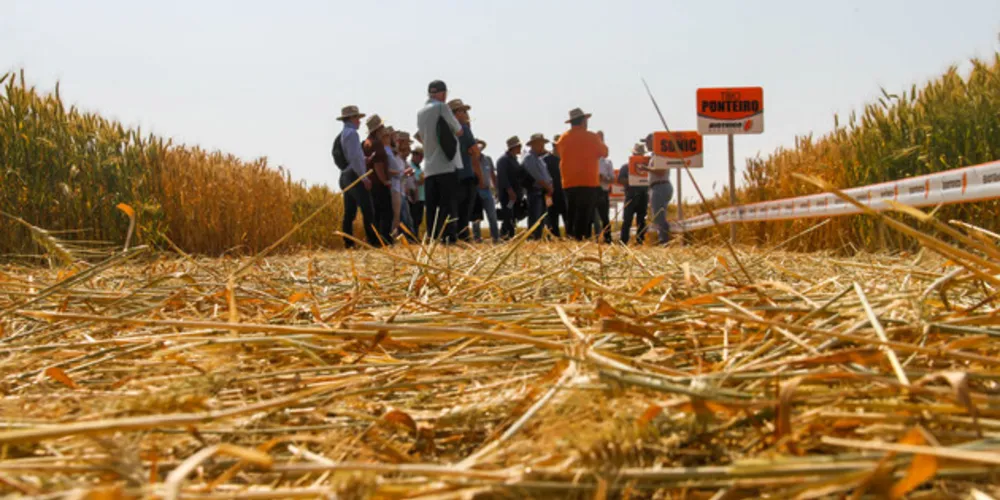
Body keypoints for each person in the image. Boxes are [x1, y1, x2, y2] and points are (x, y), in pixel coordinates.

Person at [416, 80, 463, 243]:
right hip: (445, 163)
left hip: (429, 166)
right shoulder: (442, 107)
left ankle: (433, 237)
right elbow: (459, 130)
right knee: (448, 205)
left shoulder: (420, 112)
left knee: (432, 208)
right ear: (443, 93)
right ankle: (448, 238)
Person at [555, 108, 607, 240]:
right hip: (587, 181)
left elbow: (559, 153)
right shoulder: (592, 137)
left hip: (569, 182)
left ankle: (571, 238)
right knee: (584, 215)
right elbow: (604, 153)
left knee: (571, 214)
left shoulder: (563, 138)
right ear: (583, 121)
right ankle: (580, 240)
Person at [334, 105, 379, 249]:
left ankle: (348, 243)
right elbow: (355, 158)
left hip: (346, 175)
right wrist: (364, 178)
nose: (359, 121)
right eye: (357, 118)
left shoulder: (342, 134)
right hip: (355, 176)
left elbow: (351, 157)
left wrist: (361, 161)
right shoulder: (352, 134)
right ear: (352, 118)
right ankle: (374, 242)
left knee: (350, 212)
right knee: (368, 210)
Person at [447, 99, 481, 242]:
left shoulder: (444, 129)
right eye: (463, 111)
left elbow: (420, 135)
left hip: (449, 175)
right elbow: (475, 151)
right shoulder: (464, 129)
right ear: (457, 113)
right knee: (465, 210)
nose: (466, 114)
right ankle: (463, 237)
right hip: (466, 175)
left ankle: (451, 238)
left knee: (451, 210)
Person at [362, 114, 394, 245]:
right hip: (379, 184)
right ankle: (385, 239)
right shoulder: (377, 144)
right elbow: (378, 165)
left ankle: (375, 240)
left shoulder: (366, 143)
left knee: (375, 213)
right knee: (386, 212)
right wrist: (385, 181)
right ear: (378, 129)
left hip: (370, 183)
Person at [522, 133, 555, 240]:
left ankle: (538, 239)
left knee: (541, 218)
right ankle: (532, 239)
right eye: (540, 144)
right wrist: (548, 187)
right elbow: (537, 176)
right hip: (535, 191)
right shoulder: (529, 158)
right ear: (534, 145)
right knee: (535, 218)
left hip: (542, 191)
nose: (543, 147)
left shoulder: (539, 159)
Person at [644, 133, 674, 245]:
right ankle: (663, 239)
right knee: (658, 215)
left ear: (654, 142)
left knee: (659, 215)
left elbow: (661, 171)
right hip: (659, 186)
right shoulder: (655, 155)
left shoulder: (660, 155)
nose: (646, 145)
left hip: (660, 186)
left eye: (647, 142)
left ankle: (664, 240)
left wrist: (646, 168)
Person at [619, 143, 649, 245]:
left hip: (643, 194)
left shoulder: (647, 166)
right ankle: (624, 242)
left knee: (641, 219)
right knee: (627, 219)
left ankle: (640, 241)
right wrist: (631, 180)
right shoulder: (626, 167)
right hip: (631, 195)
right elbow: (620, 179)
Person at [472, 139, 500, 243]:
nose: (478, 148)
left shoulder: (487, 159)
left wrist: (496, 189)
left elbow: (492, 174)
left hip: (487, 190)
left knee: (492, 215)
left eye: (479, 146)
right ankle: (477, 238)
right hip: (476, 191)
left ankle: (495, 237)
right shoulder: (470, 159)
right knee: (476, 217)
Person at [496, 136, 523, 240]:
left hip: (516, 194)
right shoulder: (503, 160)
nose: (520, 147)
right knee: (508, 214)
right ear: (514, 147)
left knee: (514, 215)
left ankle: (505, 234)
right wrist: (510, 191)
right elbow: (503, 177)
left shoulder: (515, 160)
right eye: (519, 146)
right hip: (508, 196)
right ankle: (508, 235)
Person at [393, 131, 415, 239]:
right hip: (398, 191)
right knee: (403, 220)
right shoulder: (395, 158)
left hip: (402, 191)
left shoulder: (401, 159)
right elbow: (394, 174)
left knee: (406, 219)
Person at [544, 134, 566, 238]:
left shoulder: (565, 159)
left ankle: (569, 238)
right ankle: (554, 239)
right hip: (550, 193)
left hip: (564, 192)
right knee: (552, 218)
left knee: (567, 218)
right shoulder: (546, 160)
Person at [594, 131, 614, 244]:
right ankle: (594, 239)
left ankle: (608, 239)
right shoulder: (589, 160)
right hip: (591, 190)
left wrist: (604, 178)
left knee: (604, 217)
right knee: (592, 217)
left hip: (603, 191)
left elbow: (612, 179)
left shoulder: (607, 162)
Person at [406, 146, 425, 237]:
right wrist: (419, 182)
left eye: (421, 156)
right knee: (413, 219)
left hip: (421, 197)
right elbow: (410, 182)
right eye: (416, 154)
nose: (420, 158)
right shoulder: (410, 167)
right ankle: (413, 238)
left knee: (418, 219)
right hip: (413, 198)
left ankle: (415, 237)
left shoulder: (419, 169)